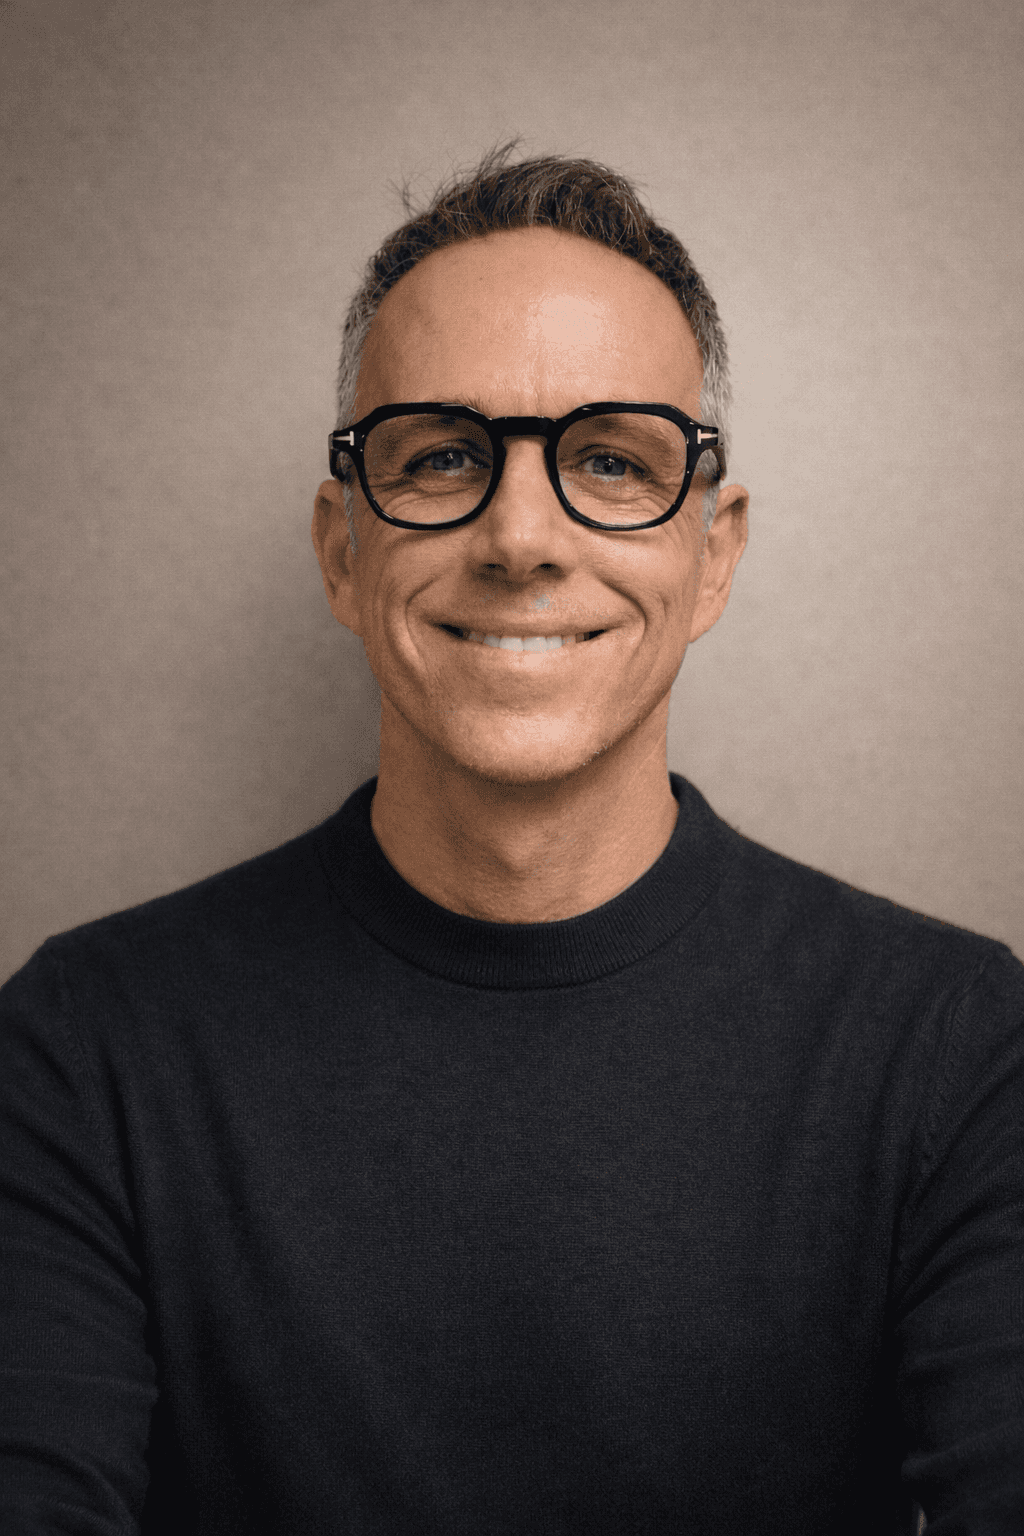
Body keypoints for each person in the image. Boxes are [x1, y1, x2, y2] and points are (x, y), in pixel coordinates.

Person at [1, 149, 1021, 1536]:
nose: (521, 536)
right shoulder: (81, 1048)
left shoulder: (960, 1052)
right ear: (342, 549)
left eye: (611, 460)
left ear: (712, 555)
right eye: (440, 457)